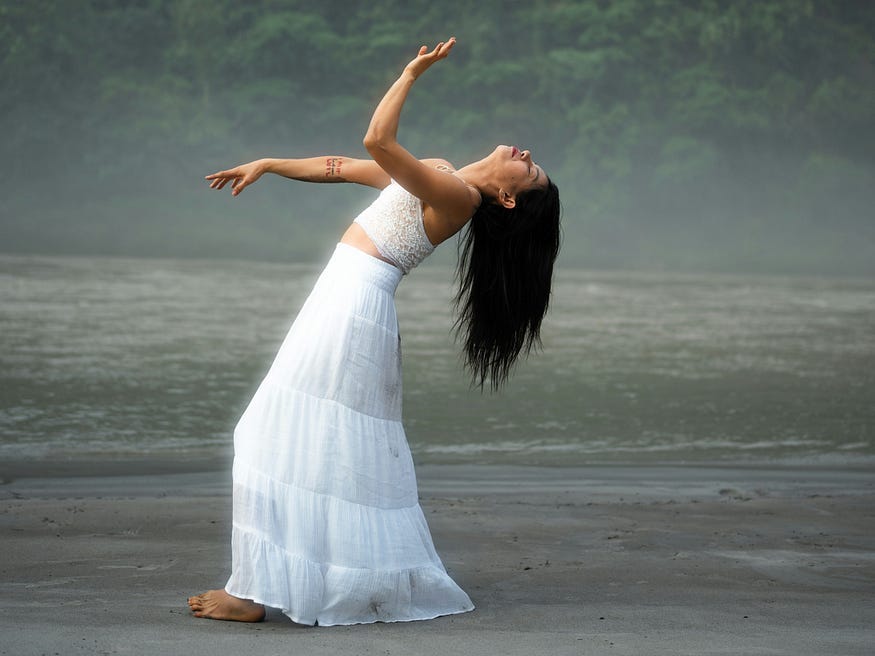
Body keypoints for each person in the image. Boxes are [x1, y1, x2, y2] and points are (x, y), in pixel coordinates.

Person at [187, 37, 560, 626]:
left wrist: (412, 72)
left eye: (529, 167)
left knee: (268, 431)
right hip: (342, 299)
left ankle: (252, 593)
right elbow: (344, 167)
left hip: (355, 304)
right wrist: (270, 164)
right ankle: (261, 585)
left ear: (508, 197)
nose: (526, 152)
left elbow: (377, 142)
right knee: (289, 436)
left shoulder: (457, 196)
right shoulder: (436, 172)